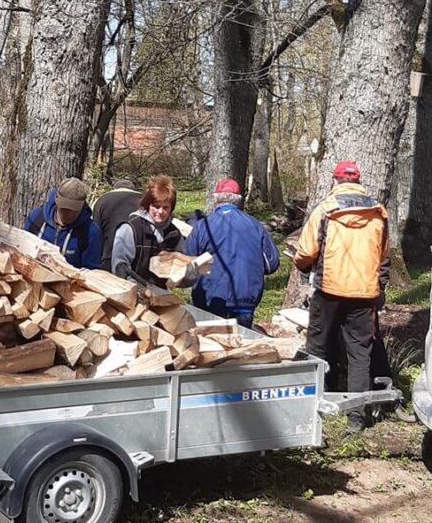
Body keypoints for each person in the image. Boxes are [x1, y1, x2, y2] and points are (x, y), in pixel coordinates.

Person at [293, 160, 389, 433]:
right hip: (364, 294)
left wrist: (302, 265)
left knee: (318, 348)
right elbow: (383, 254)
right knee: (359, 354)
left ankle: (314, 408)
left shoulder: (325, 209)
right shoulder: (378, 213)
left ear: (335, 181)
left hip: (329, 290)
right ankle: (356, 418)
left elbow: (306, 252)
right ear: (358, 182)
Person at [185, 178, 280, 328]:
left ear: (215, 199)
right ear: (238, 200)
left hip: (210, 299)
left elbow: (188, 264)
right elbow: (271, 263)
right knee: (241, 340)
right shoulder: (255, 226)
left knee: (209, 341)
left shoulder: (203, 226)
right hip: (244, 301)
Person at [110, 175, 184, 286]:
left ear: (171, 208)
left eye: (165, 207)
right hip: (131, 289)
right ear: (148, 205)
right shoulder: (130, 229)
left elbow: (181, 278)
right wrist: (140, 289)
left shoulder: (174, 234)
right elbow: (120, 269)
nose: (160, 212)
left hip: (161, 292)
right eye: (156, 206)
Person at [24, 177, 103, 269]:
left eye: (74, 211)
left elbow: (91, 270)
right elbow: (23, 248)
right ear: (56, 199)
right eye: (64, 209)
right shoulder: (37, 217)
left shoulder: (90, 231)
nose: (69, 215)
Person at [93, 178, 142, 270]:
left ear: (114, 188)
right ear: (133, 189)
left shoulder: (102, 200)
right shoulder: (142, 200)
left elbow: (96, 232)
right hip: (139, 258)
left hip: (109, 255)